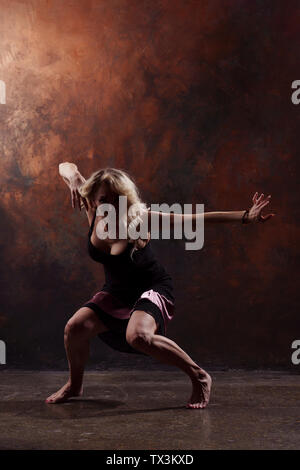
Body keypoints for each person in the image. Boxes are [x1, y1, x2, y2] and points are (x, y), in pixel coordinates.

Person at [45, 162, 275, 408]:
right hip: (117, 291)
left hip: (151, 287)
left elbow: (195, 220)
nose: (110, 206)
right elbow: (65, 166)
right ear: (92, 199)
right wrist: (73, 176)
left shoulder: (140, 219)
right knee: (75, 328)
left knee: (138, 336)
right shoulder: (91, 207)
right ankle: (75, 385)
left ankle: (199, 375)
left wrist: (245, 217)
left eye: (117, 200)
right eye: (104, 200)